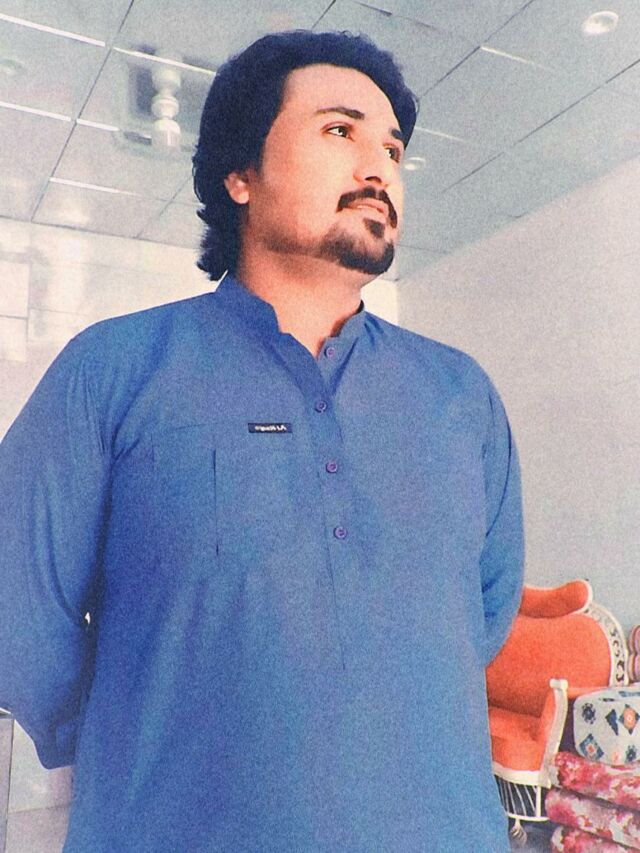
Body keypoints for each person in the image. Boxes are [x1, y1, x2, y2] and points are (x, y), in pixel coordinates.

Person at [0, 30, 524, 852]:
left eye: (393, 149)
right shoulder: (114, 369)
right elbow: (20, 614)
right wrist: (135, 735)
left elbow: (480, 618)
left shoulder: (461, 395)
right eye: (340, 130)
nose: (380, 168)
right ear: (240, 174)